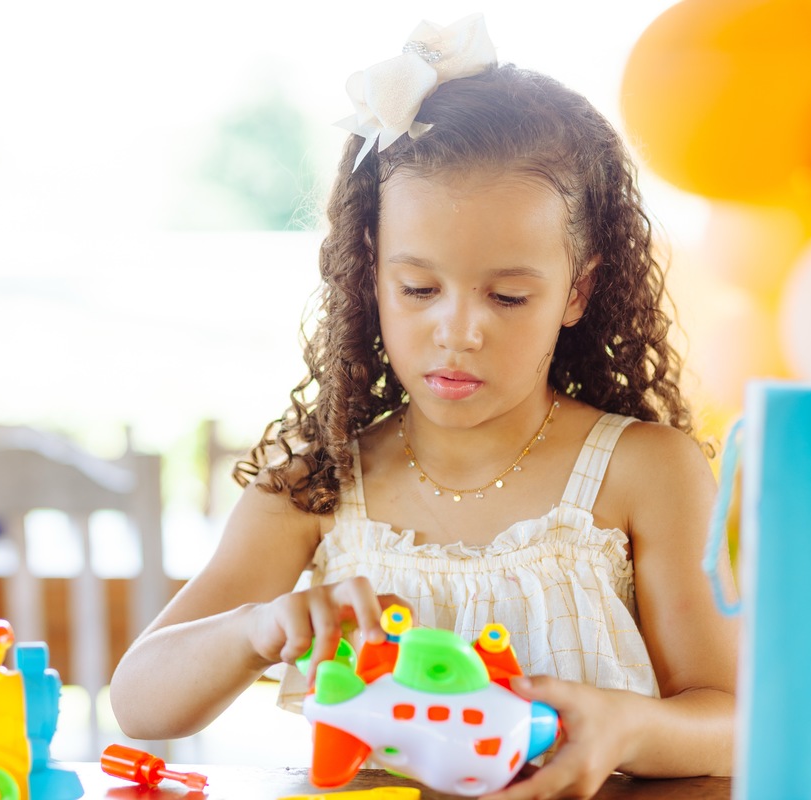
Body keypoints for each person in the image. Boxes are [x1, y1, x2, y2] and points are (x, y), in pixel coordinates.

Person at [110, 14, 737, 799]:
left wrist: (629, 727)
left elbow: (732, 719)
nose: (459, 332)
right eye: (418, 290)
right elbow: (138, 701)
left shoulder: (645, 471)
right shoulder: (318, 479)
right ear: (371, 276)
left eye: (508, 296)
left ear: (578, 290)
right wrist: (257, 628)